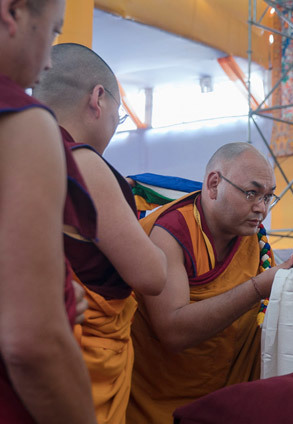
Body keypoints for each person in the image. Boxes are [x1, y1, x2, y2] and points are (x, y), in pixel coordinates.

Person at [128, 142, 293, 423]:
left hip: (227, 399)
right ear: (214, 184)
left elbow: (260, 324)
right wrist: (259, 288)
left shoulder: (255, 242)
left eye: (268, 197)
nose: (261, 209)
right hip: (156, 402)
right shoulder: (170, 234)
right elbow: (173, 332)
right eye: (251, 193)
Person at [33, 42, 168, 424]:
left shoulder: (16, 148)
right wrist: (149, 233)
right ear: (98, 99)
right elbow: (151, 276)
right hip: (76, 369)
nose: (114, 126)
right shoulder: (82, 164)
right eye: (119, 116)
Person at [0, 0, 97, 423]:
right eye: (54, 30)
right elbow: (31, 343)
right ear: (13, 11)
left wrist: (47, 286)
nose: (50, 57)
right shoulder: (22, 123)